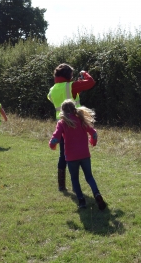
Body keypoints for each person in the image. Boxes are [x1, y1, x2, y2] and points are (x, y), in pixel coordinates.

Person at [49, 99, 107, 210]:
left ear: (63, 111)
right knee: (89, 177)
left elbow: (55, 139)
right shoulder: (81, 120)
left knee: (75, 179)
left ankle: (81, 201)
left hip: (71, 157)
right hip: (85, 154)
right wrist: (93, 142)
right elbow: (93, 133)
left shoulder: (62, 123)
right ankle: (97, 194)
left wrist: (52, 145)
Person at [47, 63, 95, 191]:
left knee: (63, 154)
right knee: (80, 153)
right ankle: (77, 184)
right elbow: (90, 82)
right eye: (72, 75)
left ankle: (61, 185)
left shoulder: (52, 90)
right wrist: (84, 73)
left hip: (62, 125)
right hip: (77, 124)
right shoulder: (71, 86)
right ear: (68, 75)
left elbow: (56, 98)